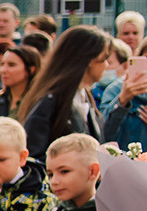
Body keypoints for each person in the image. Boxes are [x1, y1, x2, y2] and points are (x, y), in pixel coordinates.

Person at [18, 24, 108, 161]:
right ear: (88, 60)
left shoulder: (84, 97)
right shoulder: (50, 102)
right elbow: (34, 157)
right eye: (103, 59)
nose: (106, 65)